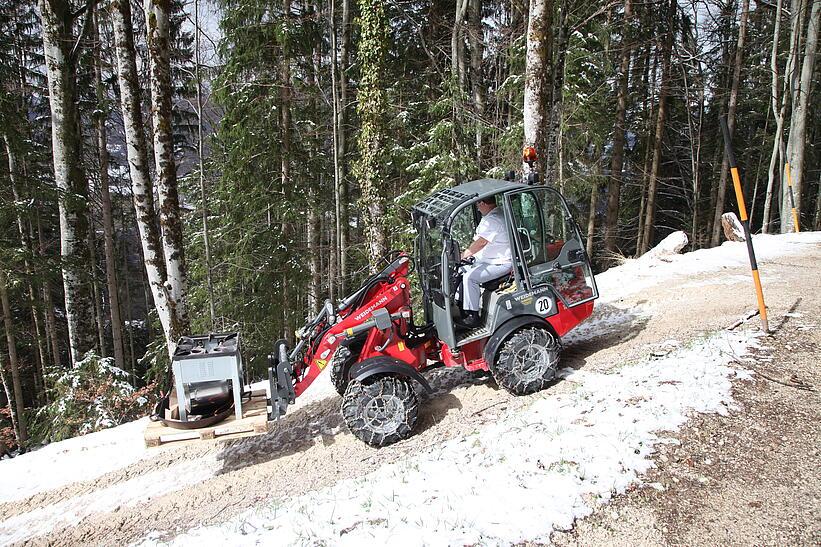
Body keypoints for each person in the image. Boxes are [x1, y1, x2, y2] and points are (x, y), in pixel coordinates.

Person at [459, 195, 512, 328]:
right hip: (488, 260)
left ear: (483, 203)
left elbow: (481, 243)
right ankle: (462, 308)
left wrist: (464, 255)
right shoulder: (494, 215)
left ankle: (473, 316)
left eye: (477, 204)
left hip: (500, 262)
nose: (477, 207)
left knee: (470, 278)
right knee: (460, 271)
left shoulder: (493, 220)